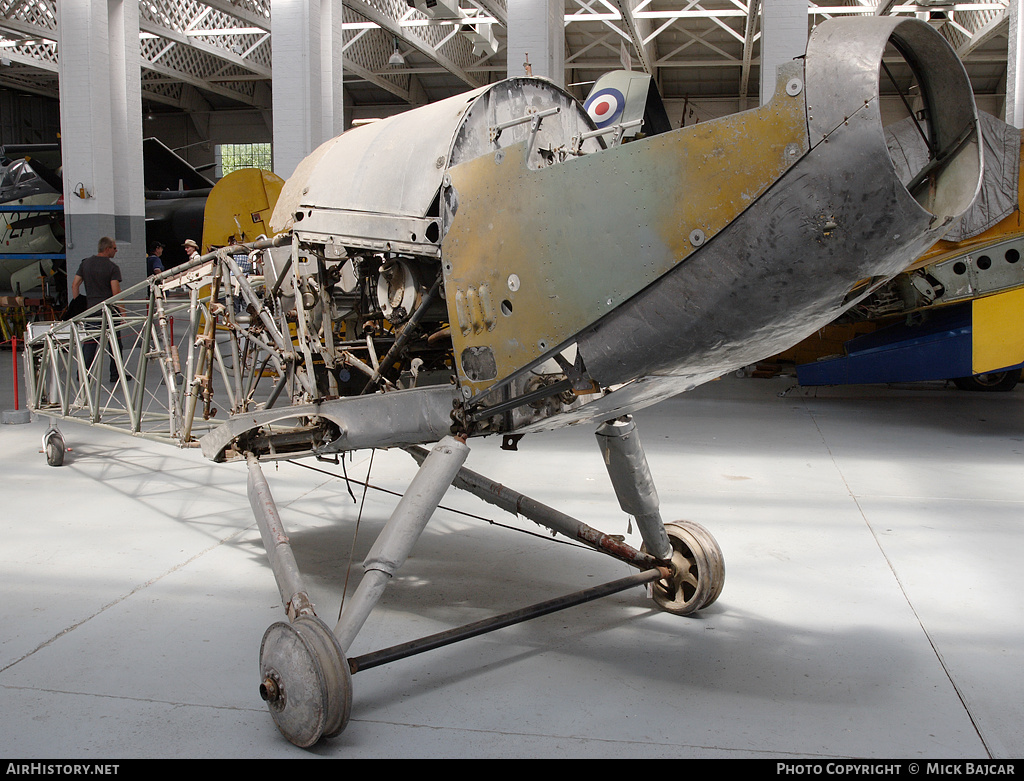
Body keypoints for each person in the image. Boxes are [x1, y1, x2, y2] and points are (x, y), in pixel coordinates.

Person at [71, 236, 127, 383]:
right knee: (115, 345)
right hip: (109, 311)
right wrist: (123, 313)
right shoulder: (112, 268)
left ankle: (82, 373)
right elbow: (116, 292)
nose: (116, 251)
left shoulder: (85, 264)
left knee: (89, 344)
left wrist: (79, 305)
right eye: (114, 248)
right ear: (107, 249)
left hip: (91, 311)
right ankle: (116, 374)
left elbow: (75, 284)